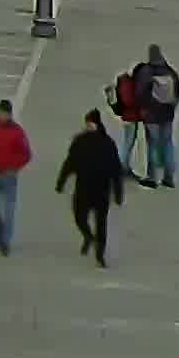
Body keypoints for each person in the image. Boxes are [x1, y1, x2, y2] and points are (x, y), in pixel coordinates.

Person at [59, 108, 125, 263]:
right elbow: (70, 163)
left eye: (91, 124)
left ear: (97, 124)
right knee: (79, 217)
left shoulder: (107, 143)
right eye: (87, 123)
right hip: (83, 188)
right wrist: (61, 181)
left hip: (101, 189)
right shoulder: (80, 141)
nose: (88, 126)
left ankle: (100, 254)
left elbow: (116, 169)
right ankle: (88, 236)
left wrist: (118, 192)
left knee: (101, 223)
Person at [0, 99, 33, 254]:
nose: (0, 115)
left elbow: (26, 154)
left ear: (9, 115)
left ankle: (5, 241)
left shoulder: (17, 132)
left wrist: (14, 167)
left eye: (3, 113)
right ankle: (0, 228)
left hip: (9, 175)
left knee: (9, 209)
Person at [131, 46, 179, 187]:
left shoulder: (146, 71)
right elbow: (178, 91)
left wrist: (144, 109)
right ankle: (169, 177)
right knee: (167, 144)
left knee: (153, 145)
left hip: (151, 115)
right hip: (167, 115)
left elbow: (140, 93)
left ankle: (152, 178)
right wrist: (172, 106)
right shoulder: (170, 71)